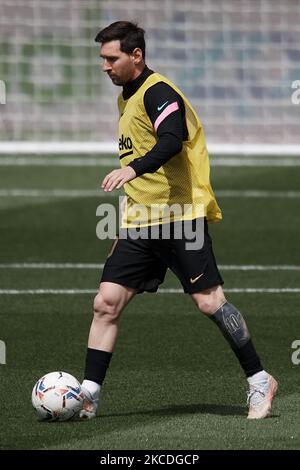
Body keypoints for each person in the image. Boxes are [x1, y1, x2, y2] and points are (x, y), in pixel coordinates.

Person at [79, 21, 277, 420]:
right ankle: (87, 394)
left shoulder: (159, 92)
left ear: (136, 55)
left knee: (209, 302)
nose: (105, 66)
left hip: (179, 217)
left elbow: (171, 140)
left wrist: (133, 170)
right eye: (102, 58)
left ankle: (259, 379)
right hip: (139, 220)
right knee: (107, 302)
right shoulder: (126, 96)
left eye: (111, 58)